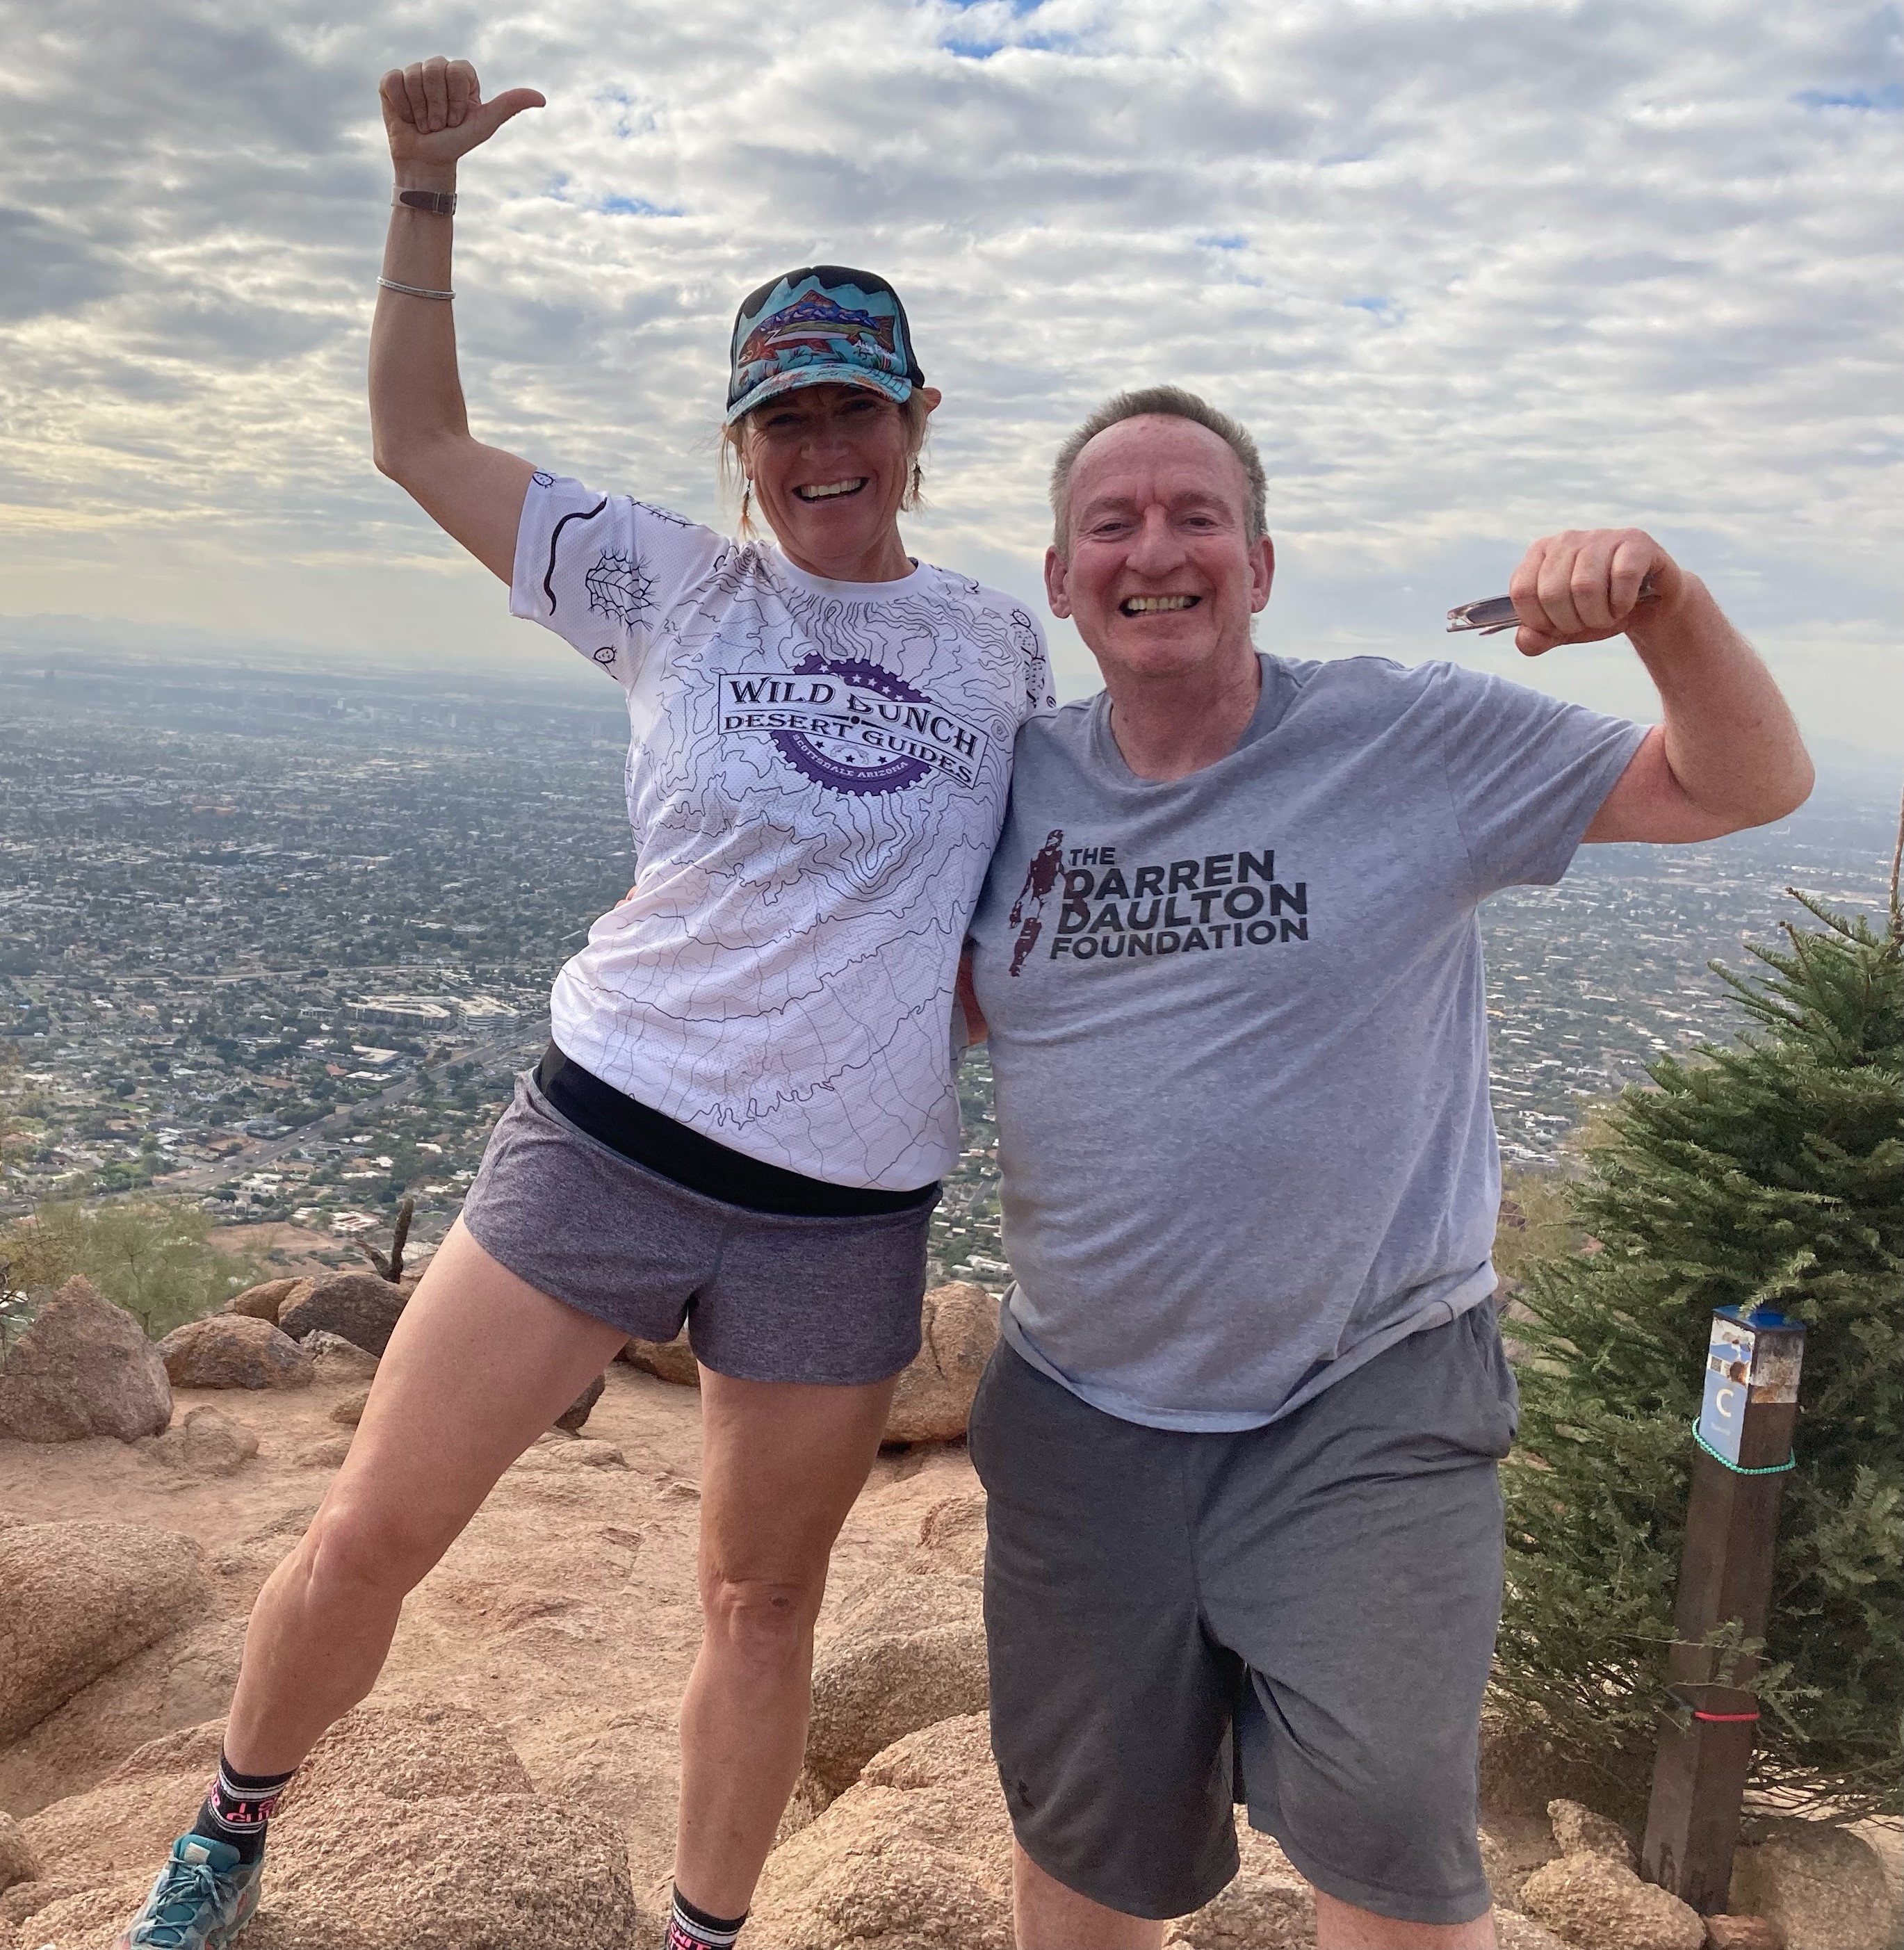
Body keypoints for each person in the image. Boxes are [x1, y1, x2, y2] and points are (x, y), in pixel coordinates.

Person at [114, 54, 1051, 1950]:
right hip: (607, 1131)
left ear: (915, 416)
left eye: (848, 406)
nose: (814, 446)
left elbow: (1033, 890)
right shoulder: (672, 584)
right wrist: (423, 196)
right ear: (741, 441)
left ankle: (700, 1931)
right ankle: (226, 1830)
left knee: (758, 1607)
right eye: (779, 415)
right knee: (377, 1523)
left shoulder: (991, 639)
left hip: (844, 1199)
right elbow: (413, 437)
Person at [961, 384, 1812, 1950]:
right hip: (1083, 1409)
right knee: (1084, 1845)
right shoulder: (1006, 785)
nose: (1155, 548)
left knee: (1387, 1862)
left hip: (1363, 1398)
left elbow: (1743, 785)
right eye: (1113, 521)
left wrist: (1665, 609)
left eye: (1195, 515)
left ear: (1261, 564)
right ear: (1058, 574)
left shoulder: (1401, 734)